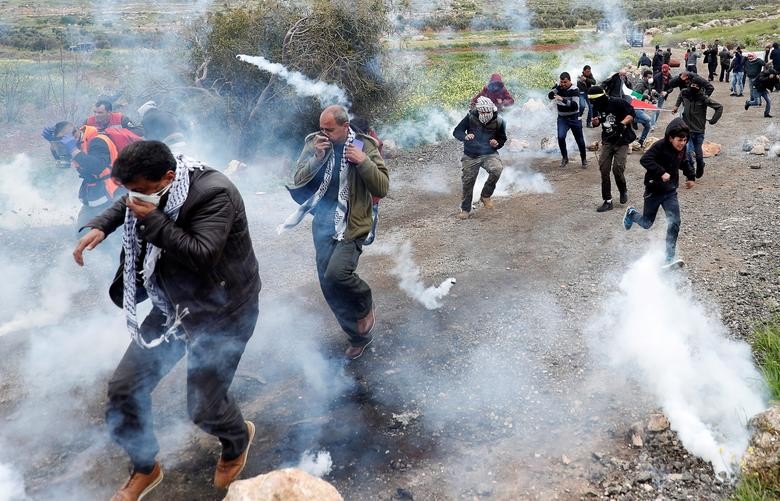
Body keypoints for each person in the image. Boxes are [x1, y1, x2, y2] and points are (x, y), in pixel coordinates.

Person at [72, 141, 262, 500]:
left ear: (168, 178)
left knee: (205, 409)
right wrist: (102, 224)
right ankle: (146, 467)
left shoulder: (215, 193)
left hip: (223, 313)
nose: (134, 198)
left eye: (143, 191)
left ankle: (238, 440)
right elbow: (130, 199)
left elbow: (203, 254)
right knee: (124, 390)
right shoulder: (156, 182)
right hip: (172, 306)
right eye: (132, 190)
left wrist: (153, 220)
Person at [284, 105, 388, 360]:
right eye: (322, 128)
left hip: (354, 221)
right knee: (327, 284)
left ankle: (365, 303)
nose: (324, 134)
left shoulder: (364, 146)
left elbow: (382, 187)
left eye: (330, 130)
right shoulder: (315, 143)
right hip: (323, 220)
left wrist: (363, 162)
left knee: (337, 274)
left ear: (345, 127)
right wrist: (315, 159)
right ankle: (356, 336)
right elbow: (298, 178)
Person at [623, 117, 696, 264]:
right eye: (679, 140)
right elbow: (645, 160)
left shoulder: (683, 148)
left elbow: (685, 162)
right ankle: (631, 213)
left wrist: (690, 176)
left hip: (670, 192)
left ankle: (669, 257)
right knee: (647, 223)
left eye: (685, 140)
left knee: (674, 222)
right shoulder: (659, 146)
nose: (682, 143)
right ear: (670, 138)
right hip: (654, 190)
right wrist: (661, 172)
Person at [42, 121, 123, 232]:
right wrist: (53, 143)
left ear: (75, 134)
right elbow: (62, 161)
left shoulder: (98, 141)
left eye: (63, 140)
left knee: (113, 230)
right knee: (82, 231)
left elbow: (97, 167)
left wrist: (73, 150)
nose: (63, 144)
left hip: (113, 189)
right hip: (94, 190)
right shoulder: (72, 142)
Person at [452, 96, 507, 218]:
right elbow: (457, 132)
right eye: (483, 112)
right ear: (479, 110)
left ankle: (485, 195)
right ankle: (466, 209)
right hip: (471, 154)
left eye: (488, 112)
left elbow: (502, 138)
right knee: (468, 181)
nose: (486, 114)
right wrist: (465, 136)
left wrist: (497, 143)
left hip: (489, 153)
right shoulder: (470, 117)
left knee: (497, 169)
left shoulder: (499, 121)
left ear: (492, 110)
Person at [587, 85, 636, 212]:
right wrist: (596, 122)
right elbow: (600, 121)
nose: (593, 104)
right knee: (604, 169)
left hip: (622, 141)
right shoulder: (597, 106)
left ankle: (623, 190)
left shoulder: (617, 102)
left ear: (600, 98)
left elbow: (631, 114)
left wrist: (622, 124)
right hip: (608, 141)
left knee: (617, 169)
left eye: (594, 101)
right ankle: (607, 201)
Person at [673, 82, 722, 179]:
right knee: (687, 152)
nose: (694, 87)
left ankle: (700, 165)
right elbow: (680, 95)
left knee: (699, 155)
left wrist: (713, 120)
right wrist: (676, 106)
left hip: (699, 131)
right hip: (686, 130)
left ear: (700, 88)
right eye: (692, 85)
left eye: (696, 86)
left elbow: (719, 107)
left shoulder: (703, 98)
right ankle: (690, 171)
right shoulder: (685, 93)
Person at [548, 72, 587, 168]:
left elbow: (575, 106)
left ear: (570, 81)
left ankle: (584, 159)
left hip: (574, 117)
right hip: (562, 118)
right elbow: (549, 96)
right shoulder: (559, 88)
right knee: (561, 137)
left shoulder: (575, 90)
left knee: (579, 139)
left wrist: (562, 99)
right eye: (561, 82)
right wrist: (555, 88)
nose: (563, 84)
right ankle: (565, 158)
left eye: (565, 82)